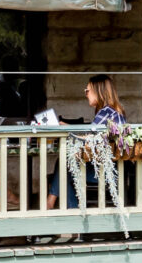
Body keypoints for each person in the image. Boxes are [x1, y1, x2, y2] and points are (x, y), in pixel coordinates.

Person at [49, 75, 126, 209]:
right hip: (110, 168)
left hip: (104, 171)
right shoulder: (113, 111)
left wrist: (67, 129)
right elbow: (93, 137)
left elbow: (88, 141)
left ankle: (53, 202)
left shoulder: (106, 112)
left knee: (65, 163)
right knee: (64, 163)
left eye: (87, 90)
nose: (86, 94)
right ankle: (62, 205)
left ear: (99, 91)